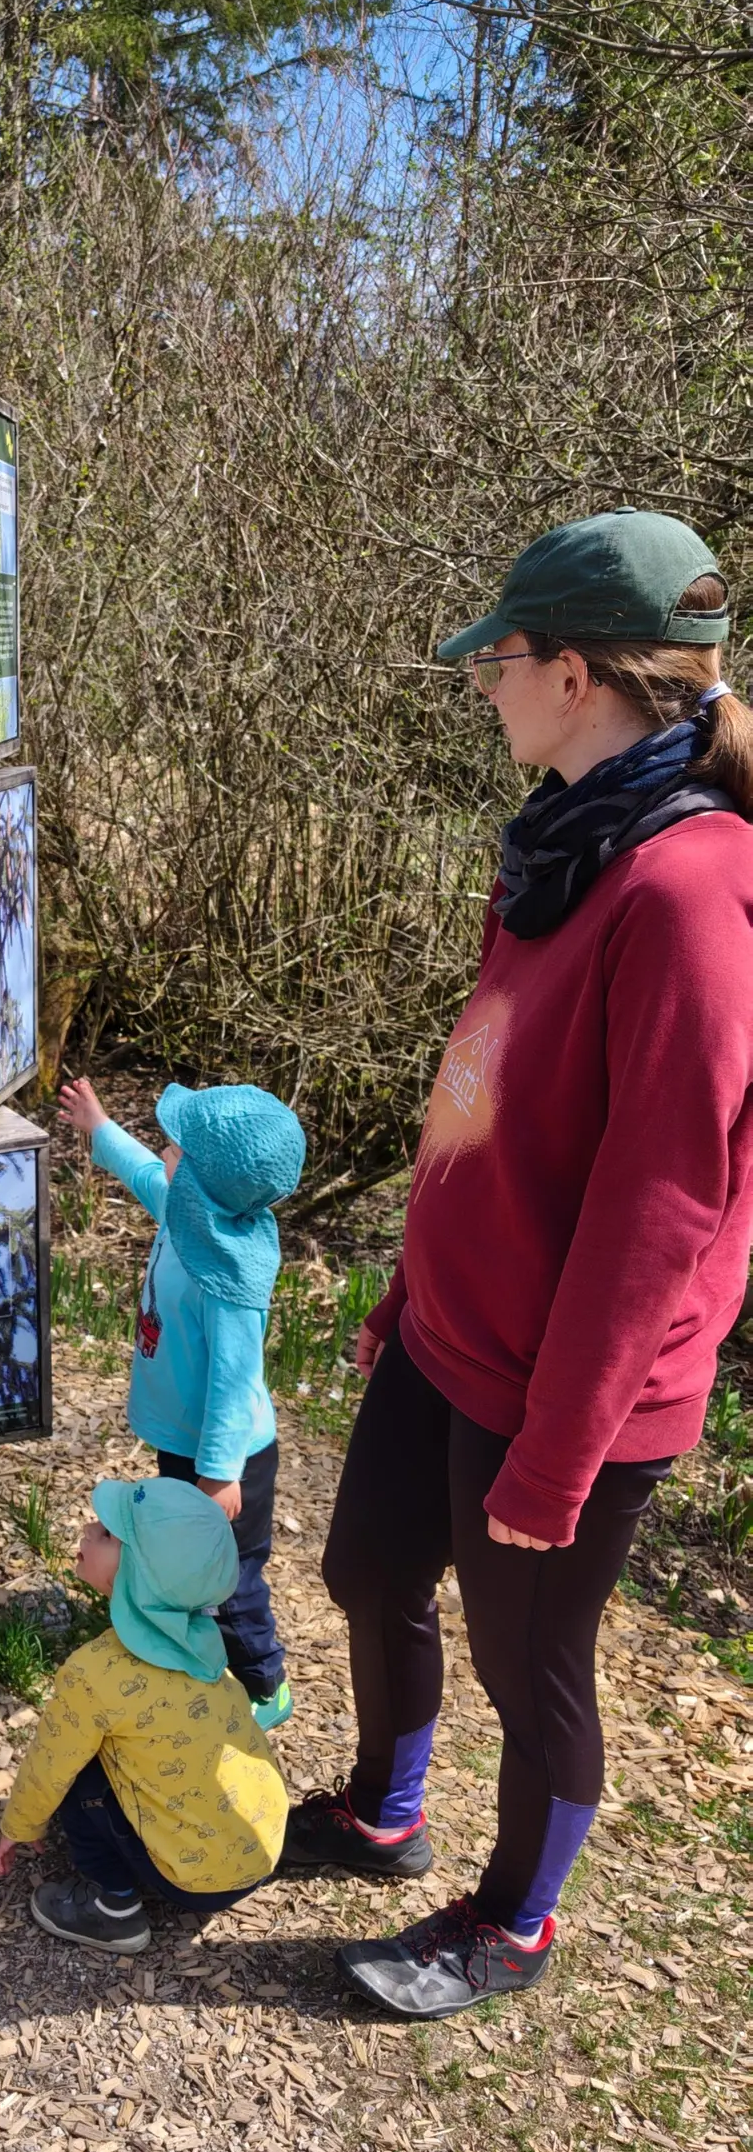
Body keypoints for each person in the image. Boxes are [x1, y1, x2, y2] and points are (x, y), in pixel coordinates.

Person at [286, 508, 753, 2020]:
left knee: (530, 1668)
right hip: (459, 1326)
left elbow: (661, 1198)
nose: (480, 684)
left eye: (494, 659)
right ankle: (382, 1811)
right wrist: (413, 1283)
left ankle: (512, 1925)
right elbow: (481, 1091)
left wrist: (560, 1454)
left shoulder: (686, 893)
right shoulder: (557, 847)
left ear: (569, 673)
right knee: (366, 1567)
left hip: (572, 1386)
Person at [56, 1076, 307, 1732]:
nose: (166, 1148)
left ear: (202, 1181)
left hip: (227, 1462)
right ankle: (186, 1642)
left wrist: (220, 1473)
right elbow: (146, 1176)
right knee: (182, 1559)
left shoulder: (229, 1281)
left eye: (178, 1147)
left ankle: (263, 1684)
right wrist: (99, 1127)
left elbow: (234, 1381)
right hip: (184, 1444)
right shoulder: (192, 1215)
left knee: (230, 1580)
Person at [0, 1477, 288, 1953]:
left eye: (108, 1535)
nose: (88, 1529)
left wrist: (20, 1826)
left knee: (77, 1772)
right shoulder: (207, 1643)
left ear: (141, 1573)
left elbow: (50, 1762)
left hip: (195, 1882)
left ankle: (114, 1908)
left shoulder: (95, 1673)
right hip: (258, 1850)